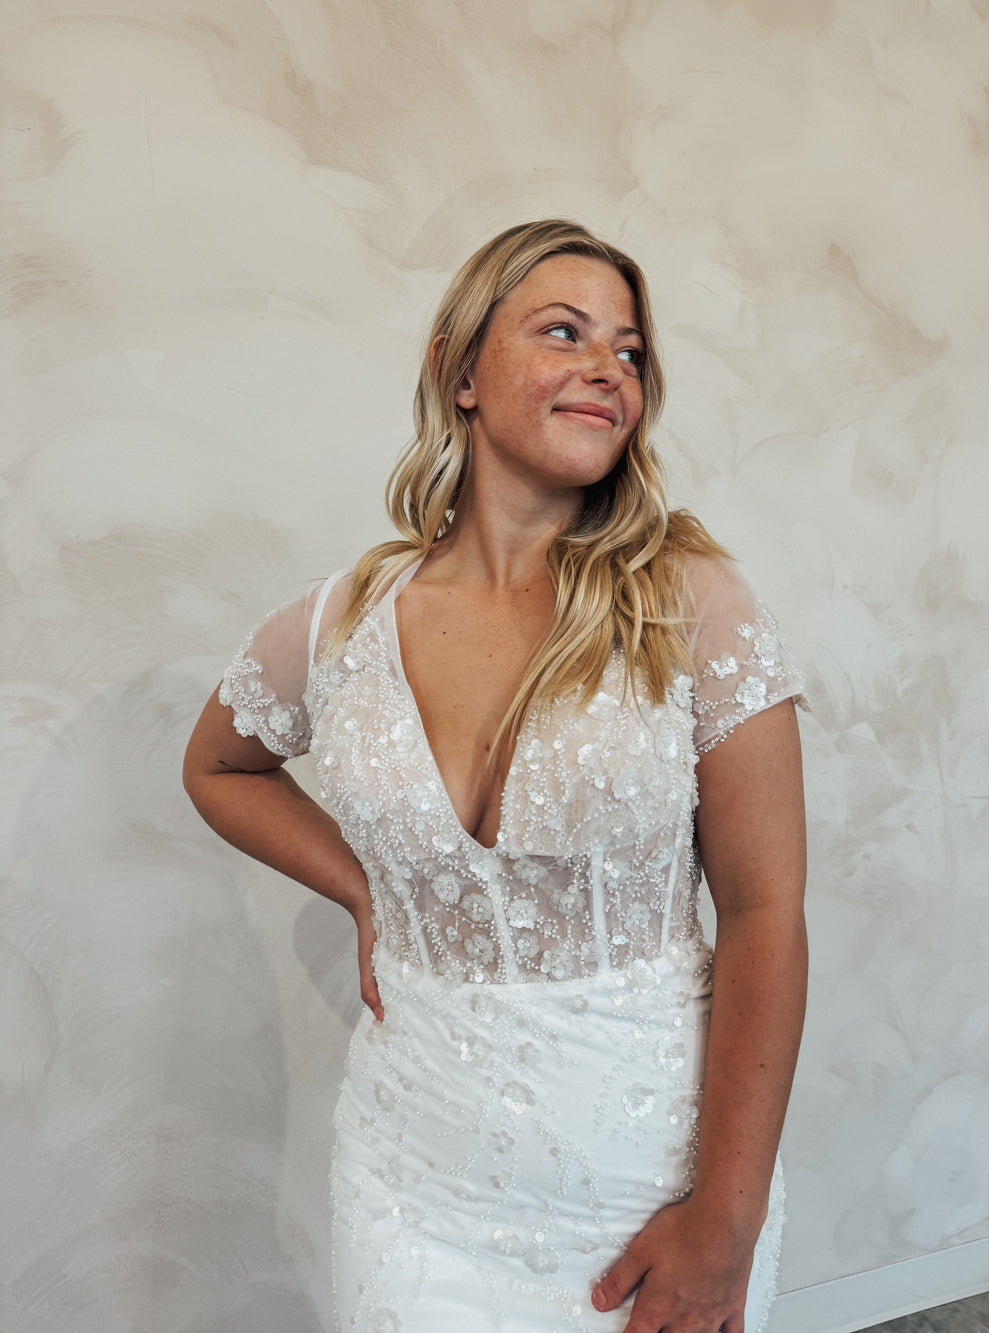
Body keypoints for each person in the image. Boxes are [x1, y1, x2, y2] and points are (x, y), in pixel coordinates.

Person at [183, 218, 808, 1333]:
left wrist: (726, 1221)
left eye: (629, 351)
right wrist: (362, 886)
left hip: (652, 1187)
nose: (607, 368)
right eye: (563, 332)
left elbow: (766, 910)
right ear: (460, 370)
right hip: (411, 1192)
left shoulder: (691, 605)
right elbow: (220, 766)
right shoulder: (341, 624)